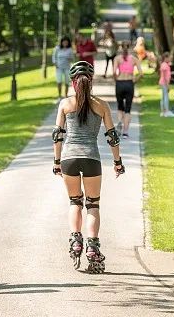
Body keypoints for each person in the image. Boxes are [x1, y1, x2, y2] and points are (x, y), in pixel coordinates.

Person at [52, 61, 125, 273]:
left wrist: (57, 162)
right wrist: (117, 162)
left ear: (73, 83)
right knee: (93, 204)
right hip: (91, 157)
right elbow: (112, 136)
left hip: (69, 158)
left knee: (75, 201)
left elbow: (58, 136)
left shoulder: (65, 104)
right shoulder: (102, 105)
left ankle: (76, 242)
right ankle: (92, 247)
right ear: (90, 82)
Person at [112, 41, 143, 138]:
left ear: (121, 48)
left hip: (120, 83)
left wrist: (116, 80)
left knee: (120, 106)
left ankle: (120, 121)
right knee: (128, 108)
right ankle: (125, 132)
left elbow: (114, 72)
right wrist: (134, 81)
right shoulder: (134, 59)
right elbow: (141, 73)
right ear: (130, 48)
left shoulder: (117, 58)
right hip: (129, 83)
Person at [159, 52, 174, 117]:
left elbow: (167, 73)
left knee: (163, 96)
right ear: (166, 58)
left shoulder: (164, 65)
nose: (170, 59)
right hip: (164, 83)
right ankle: (166, 111)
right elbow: (165, 76)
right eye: (169, 58)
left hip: (163, 82)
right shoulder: (165, 65)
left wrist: (173, 73)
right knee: (166, 97)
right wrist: (167, 85)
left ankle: (163, 111)